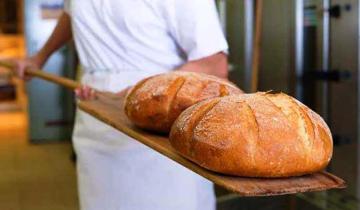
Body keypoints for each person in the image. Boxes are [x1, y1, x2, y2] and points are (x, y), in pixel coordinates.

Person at [5, 0, 229, 209]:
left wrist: (141, 93)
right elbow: (73, 11)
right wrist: (39, 58)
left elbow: (213, 63)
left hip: (157, 123)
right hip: (94, 115)